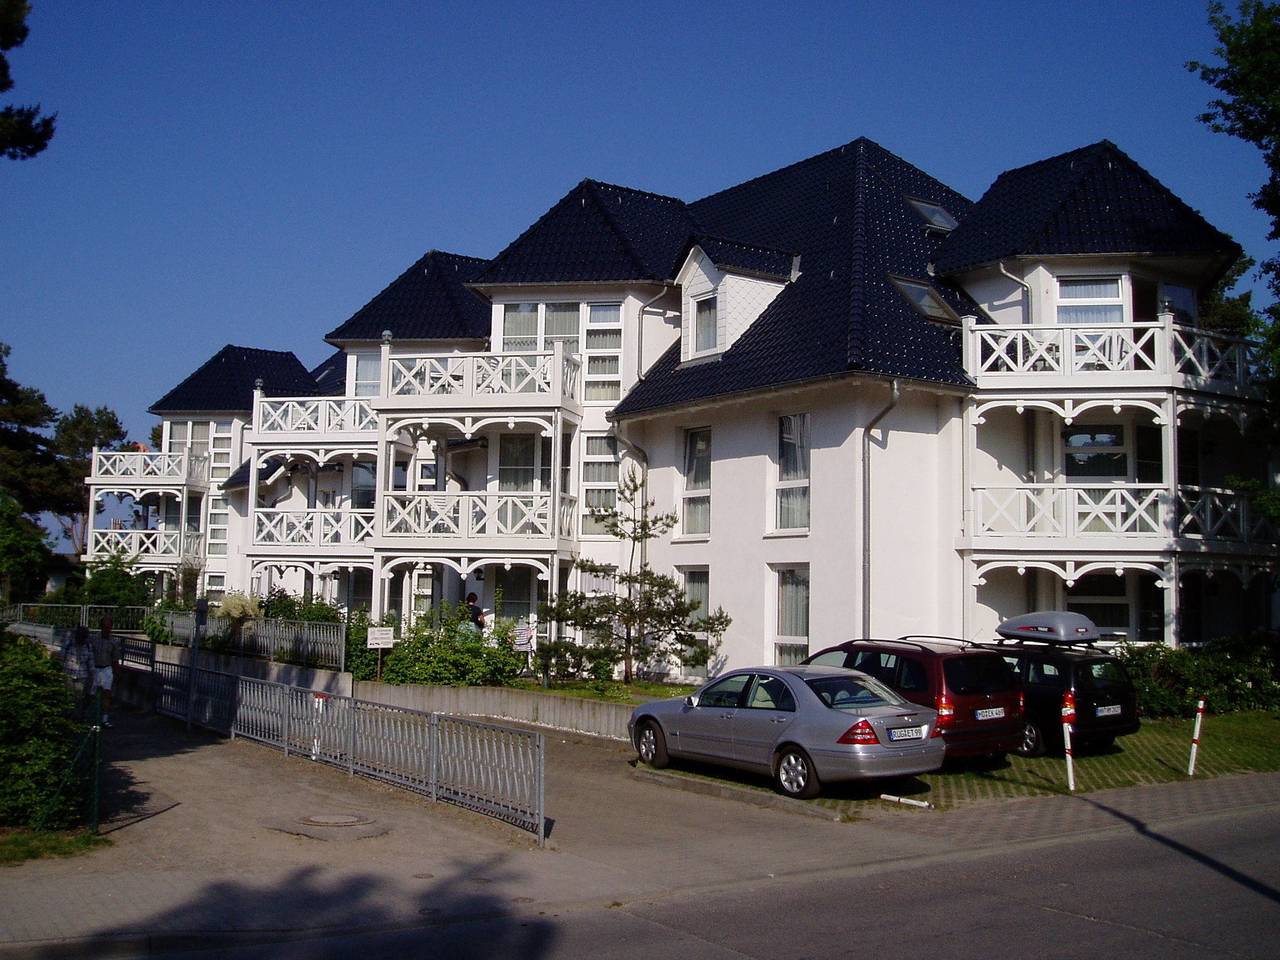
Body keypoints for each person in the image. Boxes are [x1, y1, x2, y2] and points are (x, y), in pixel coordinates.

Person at [88, 615, 121, 727]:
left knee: (107, 694)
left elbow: (115, 659)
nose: (107, 629)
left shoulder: (114, 642)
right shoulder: (93, 639)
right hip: (95, 668)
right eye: (105, 626)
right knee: (92, 694)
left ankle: (104, 718)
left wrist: (116, 674)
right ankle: (90, 716)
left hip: (107, 668)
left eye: (109, 627)